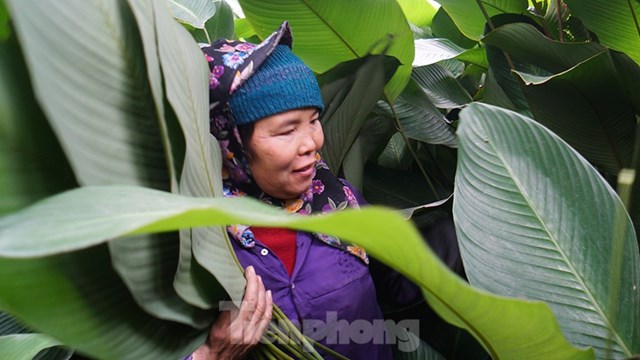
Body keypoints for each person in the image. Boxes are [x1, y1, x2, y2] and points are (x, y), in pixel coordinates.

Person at [189, 22, 422, 359]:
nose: (312, 144)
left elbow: (398, 288)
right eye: (287, 131)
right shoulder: (195, 237)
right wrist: (210, 355)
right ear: (232, 143)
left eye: (313, 120)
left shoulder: (339, 201)